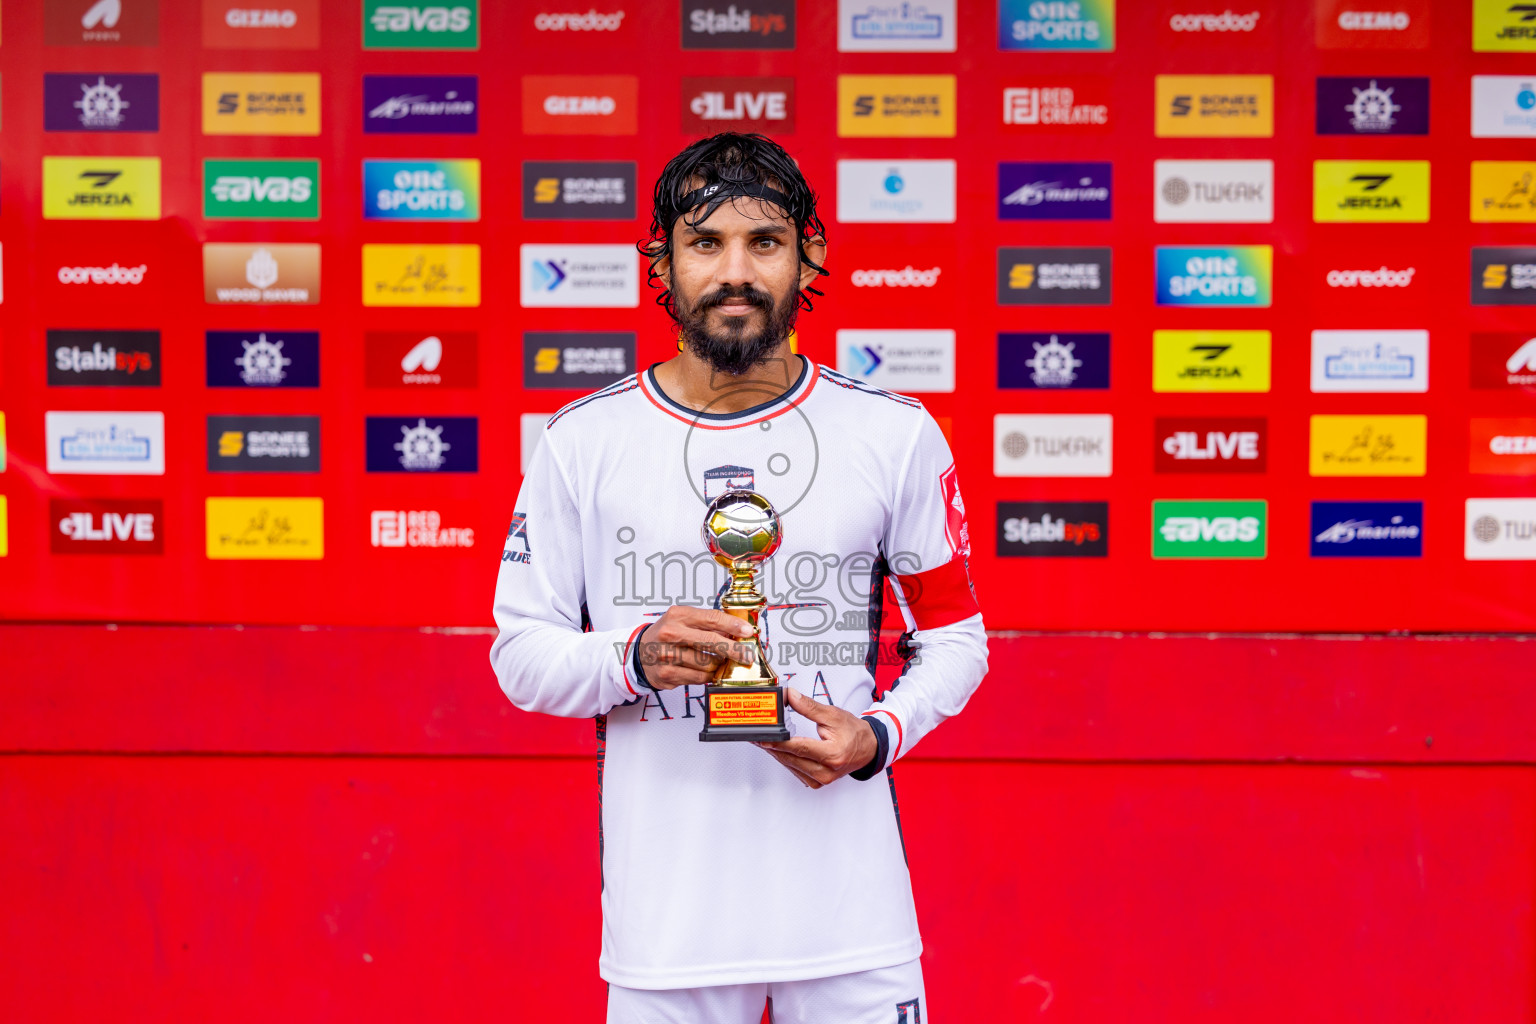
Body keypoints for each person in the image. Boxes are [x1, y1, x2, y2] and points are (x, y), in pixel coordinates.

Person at [491, 132, 988, 1023]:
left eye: (764, 242)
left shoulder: (894, 433)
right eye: (705, 242)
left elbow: (957, 639)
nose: (734, 273)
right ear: (662, 261)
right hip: (666, 940)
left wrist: (879, 736)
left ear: (810, 255)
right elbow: (521, 657)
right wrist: (636, 657)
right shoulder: (582, 441)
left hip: (853, 929)